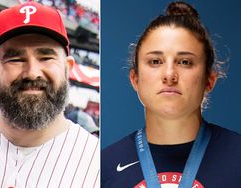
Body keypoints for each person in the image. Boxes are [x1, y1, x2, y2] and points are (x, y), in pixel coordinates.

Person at [0, 2, 99, 188]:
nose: (32, 72)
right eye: (15, 59)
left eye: (46, 57)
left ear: (67, 68)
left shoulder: (101, 165)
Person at [101, 1, 241, 187]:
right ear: (135, 79)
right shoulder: (103, 167)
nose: (169, 75)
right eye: (155, 61)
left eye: (184, 62)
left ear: (209, 80)